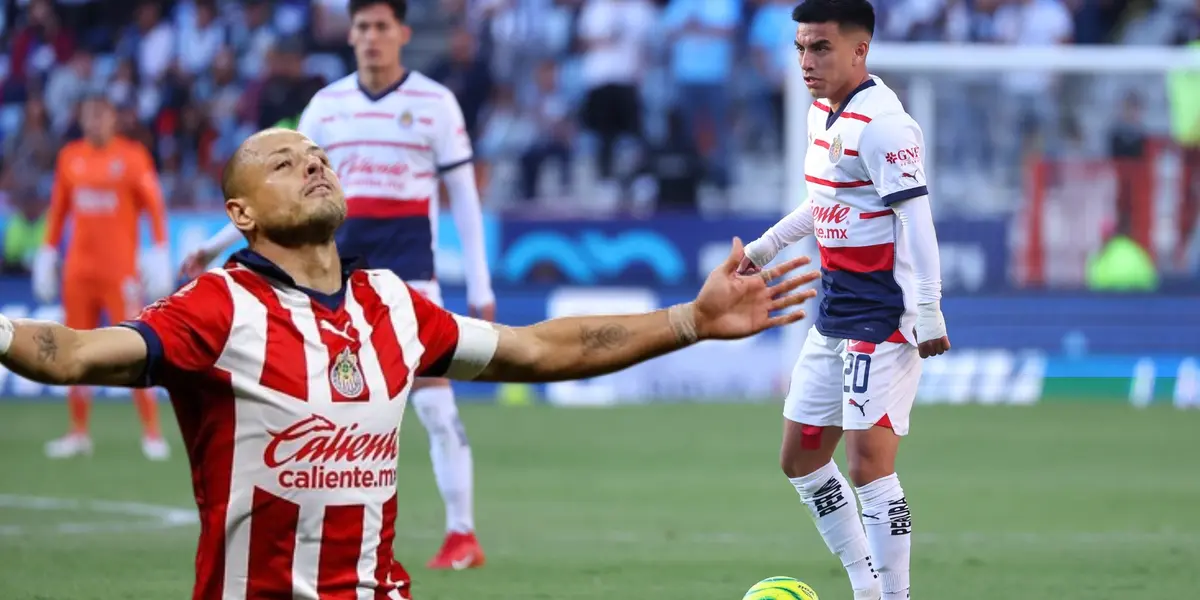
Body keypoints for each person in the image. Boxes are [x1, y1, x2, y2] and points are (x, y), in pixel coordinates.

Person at [0, 127, 819, 600]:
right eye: (284, 162)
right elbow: (71, 353)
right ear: (240, 212)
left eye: (317, 154)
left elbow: (540, 347)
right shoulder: (217, 307)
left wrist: (689, 319)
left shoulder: (391, 304)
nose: (313, 163)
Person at [177, 0, 498, 568]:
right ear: (350, 35)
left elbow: (464, 197)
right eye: (361, 28)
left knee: (435, 405)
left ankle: (463, 533)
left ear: (402, 32)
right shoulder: (328, 105)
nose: (371, 37)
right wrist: (209, 246)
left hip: (411, 277)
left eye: (381, 27)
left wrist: (479, 282)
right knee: (324, 407)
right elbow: (272, 190)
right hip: (332, 278)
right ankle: (311, 528)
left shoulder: (435, 104)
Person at [736, 2, 950, 599]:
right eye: (801, 47)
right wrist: (763, 249)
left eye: (821, 47)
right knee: (800, 456)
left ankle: (893, 596)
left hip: (885, 316)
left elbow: (918, 220)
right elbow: (828, 200)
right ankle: (865, 585)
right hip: (835, 310)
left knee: (867, 466)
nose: (807, 61)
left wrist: (929, 308)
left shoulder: (886, 125)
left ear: (860, 49)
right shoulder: (820, 115)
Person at [34, 93, 174, 461]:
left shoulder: (132, 157)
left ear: (113, 119)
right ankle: (78, 432)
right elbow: (59, 209)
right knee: (74, 351)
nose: (94, 122)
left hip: (120, 275)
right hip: (78, 273)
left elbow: (155, 207)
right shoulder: (70, 157)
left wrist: (159, 250)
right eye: (88, 116)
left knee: (132, 350)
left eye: (100, 115)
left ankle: (152, 432)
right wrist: (48, 252)